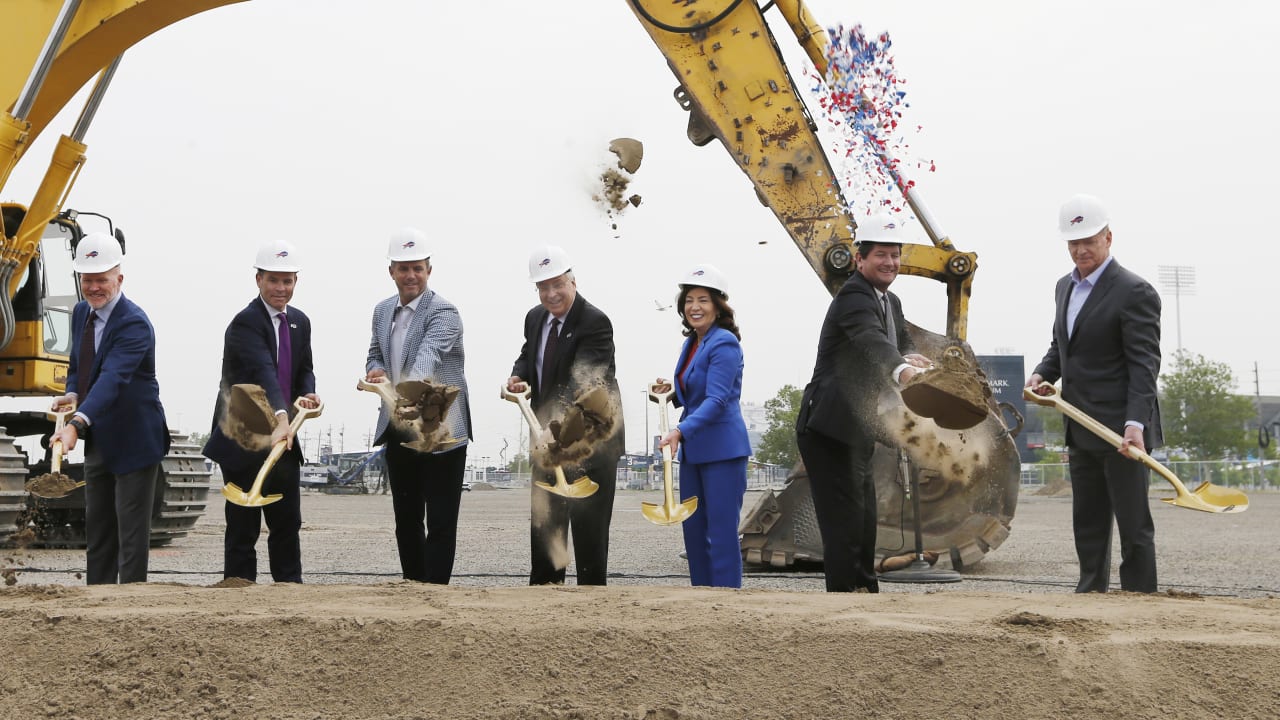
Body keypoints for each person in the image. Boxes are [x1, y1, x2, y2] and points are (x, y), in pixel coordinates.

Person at [1026, 193, 1162, 593]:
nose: (1081, 249)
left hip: (1123, 432)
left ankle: (1140, 598)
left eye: (1089, 240)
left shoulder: (1135, 291)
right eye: (1073, 242)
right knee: (1088, 520)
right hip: (1079, 423)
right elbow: (1061, 349)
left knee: (1133, 523)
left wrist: (1135, 422)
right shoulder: (1062, 289)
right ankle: (1090, 596)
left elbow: (1144, 365)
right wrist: (1040, 374)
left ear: (1108, 238)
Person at [794, 213, 931, 592]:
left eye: (895, 255)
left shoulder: (891, 300)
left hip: (857, 428)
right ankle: (844, 601)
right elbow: (871, 340)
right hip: (827, 428)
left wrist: (913, 359)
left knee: (864, 518)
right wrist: (902, 371)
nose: (889, 263)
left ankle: (865, 593)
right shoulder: (854, 296)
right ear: (860, 260)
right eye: (881, 255)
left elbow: (898, 342)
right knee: (843, 522)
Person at [50, 233, 170, 584]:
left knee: (131, 535)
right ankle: (96, 603)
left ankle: (130, 606)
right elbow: (80, 366)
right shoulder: (80, 313)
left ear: (119, 278)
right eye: (87, 280)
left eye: (102, 279)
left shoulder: (134, 323)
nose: (94, 287)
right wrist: (73, 394)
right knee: (99, 527)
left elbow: (113, 378)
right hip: (100, 436)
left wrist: (75, 424)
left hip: (135, 437)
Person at [202, 239, 321, 584]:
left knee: (287, 522)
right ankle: (238, 593)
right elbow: (263, 374)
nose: (281, 288)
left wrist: (308, 392)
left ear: (296, 281)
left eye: (287, 281)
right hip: (244, 436)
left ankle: (288, 590)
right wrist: (283, 418)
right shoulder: (245, 324)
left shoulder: (300, 322)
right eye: (273, 280)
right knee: (243, 524)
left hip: (283, 438)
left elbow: (304, 369)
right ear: (258, 280)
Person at [506, 245, 624, 585]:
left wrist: (555, 429)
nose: (551, 293)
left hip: (591, 444)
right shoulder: (535, 318)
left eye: (558, 284)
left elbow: (584, 384)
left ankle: (590, 604)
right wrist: (519, 376)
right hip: (547, 443)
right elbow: (530, 355)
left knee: (589, 533)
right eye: (543, 287)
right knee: (546, 526)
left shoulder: (595, 322)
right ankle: (544, 596)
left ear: (572, 281)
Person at [364, 227, 472, 584]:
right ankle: (413, 587)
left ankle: (435, 592)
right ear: (391, 271)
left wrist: (407, 388)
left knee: (440, 520)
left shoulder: (444, 312)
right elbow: (375, 353)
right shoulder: (382, 311)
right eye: (403, 268)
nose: (411, 275)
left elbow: (427, 359)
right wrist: (375, 369)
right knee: (406, 517)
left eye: (418, 268)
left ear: (429, 270)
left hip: (441, 430)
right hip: (399, 426)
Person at [652, 264, 751, 588]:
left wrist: (680, 431)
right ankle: (701, 605)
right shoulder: (693, 343)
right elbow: (694, 391)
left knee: (720, 534)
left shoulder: (724, 343)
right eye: (689, 299)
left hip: (722, 451)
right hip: (695, 453)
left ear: (718, 306)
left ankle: (725, 606)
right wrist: (673, 389)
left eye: (703, 300)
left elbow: (718, 399)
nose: (695, 306)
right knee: (694, 533)